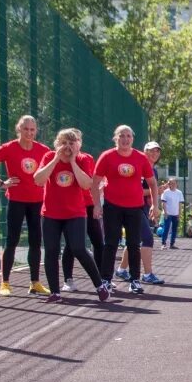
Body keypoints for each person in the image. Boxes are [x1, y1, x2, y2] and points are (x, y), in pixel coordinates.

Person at [32, 128, 110, 303]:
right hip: (51, 213)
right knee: (51, 251)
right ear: (57, 145)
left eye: (71, 143)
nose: (67, 147)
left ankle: (100, 286)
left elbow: (86, 184)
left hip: (75, 213)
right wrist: (55, 159)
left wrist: (73, 161)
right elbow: (38, 179)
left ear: (77, 145)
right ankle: (55, 292)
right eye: (63, 143)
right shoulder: (49, 157)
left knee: (79, 248)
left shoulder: (84, 159)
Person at [0, 115, 51, 296]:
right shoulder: (9, 148)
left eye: (32, 129)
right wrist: (1, 183)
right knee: (12, 241)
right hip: (16, 200)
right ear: (19, 129)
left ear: (36, 131)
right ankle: (5, 283)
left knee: (36, 242)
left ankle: (35, 282)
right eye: (26, 129)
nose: (29, 133)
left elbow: (53, 170)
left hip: (37, 202)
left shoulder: (43, 150)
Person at [91, 125, 159, 295]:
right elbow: (94, 182)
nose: (125, 139)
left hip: (134, 207)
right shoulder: (107, 156)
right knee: (111, 243)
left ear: (132, 139)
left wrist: (155, 205)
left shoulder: (140, 158)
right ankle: (106, 280)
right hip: (112, 206)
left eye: (128, 136)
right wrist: (97, 205)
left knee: (134, 243)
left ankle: (135, 280)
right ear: (116, 138)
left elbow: (152, 184)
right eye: (122, 136)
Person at [118, 141, 165, 285]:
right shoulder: (138, 166)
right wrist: (154, 191)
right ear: (145, 152)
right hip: (133, 207)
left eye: (157, 151)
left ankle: (121, 270)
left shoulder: (154, 171)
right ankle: (147, 274)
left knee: (135, 240)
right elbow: (135, 190)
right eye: (151, 150)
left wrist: (154, 204)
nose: (154, 153)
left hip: (144, 208)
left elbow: (150, 192)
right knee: (147, 238)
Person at [60, 146, 102, 294]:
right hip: (70, 208)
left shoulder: (86, 158)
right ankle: (68, 280)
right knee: (71, 245)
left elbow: (90, 182)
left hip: (88, 205)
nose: (71, 145)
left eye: (75, 141)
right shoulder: (57, 158)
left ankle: (102, 278)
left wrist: (97, 204)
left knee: (98, 240)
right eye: (68, 141)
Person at [159, 177, 184, 249]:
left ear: (176, 184)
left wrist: (179, 213)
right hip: (168, 214)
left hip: (175, 214)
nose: (172, 184)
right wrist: (165, 213)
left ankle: (172, 244)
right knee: (166, 228)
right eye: (171, 183)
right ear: (169, 184)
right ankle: (163, 244)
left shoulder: (179, 193)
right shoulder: (165, 192)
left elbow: (180, 204)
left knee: (174, 229)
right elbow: (163, 203)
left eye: (174, 183)